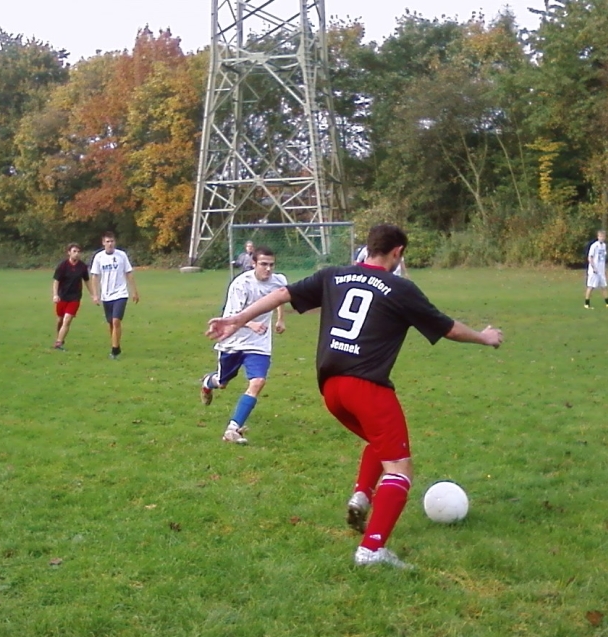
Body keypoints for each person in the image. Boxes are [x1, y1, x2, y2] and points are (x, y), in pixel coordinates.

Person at [206, 224, 503, 568]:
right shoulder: (400, 288)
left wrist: (238, 318)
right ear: (397, 252)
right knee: (400, 468)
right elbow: (448, 328)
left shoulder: (334, 275)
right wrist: (484, 337)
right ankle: (371, 550)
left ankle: (362, 495)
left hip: (332, 388)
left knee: (380, 441)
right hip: (367, 388)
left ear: (368, 247)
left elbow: (283, 294)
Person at [201, 246, 287, 444]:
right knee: (222, 383)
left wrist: (280, 319)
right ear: (253, 264)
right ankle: (207, 383)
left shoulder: (279, 280)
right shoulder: (241, 284)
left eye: (271, 265)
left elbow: (281, 296)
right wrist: (251, 323)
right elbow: (232, 315)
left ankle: (233, 429)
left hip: (259, 344)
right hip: (234, 341)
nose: (268, 269)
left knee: (258, 382)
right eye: (263, 264)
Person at [90, 232, 140, 359]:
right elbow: (95, 276)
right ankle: (116, 345)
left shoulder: (121, 255)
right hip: (106, 295)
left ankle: (114, 350)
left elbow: (129, 273)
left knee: (116, 321)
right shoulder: (99, 257)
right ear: (103, 243)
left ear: (115, 242)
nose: (110, 244)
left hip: (120, 293)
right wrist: (95, 294)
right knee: (111, 323)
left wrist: (134, 291)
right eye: (107, 241)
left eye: (112, 241)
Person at [52, 243, 92, 350]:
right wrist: (55, 295)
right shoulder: (62, 266)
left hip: (75, 298)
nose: (77, 254)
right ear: (69, 252)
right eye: (74, 251)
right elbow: (56, 281)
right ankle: (59, 336)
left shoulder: (82, 267)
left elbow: (87, 281)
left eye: (78, 252)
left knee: (67, 319)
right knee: (60, 320)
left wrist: (93, 295)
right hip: (62, 296)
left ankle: (59, 343)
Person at [584, 230, 608, 309]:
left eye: (603, 236)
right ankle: (586, 304)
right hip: (594, 271)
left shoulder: (604, 246)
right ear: (598, 237)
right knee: (591, 286)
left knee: (604, 286)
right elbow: (590, 257)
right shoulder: (594, 246)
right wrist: (593, 268)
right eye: (600, 236)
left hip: (601, 270)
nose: (602, 238)